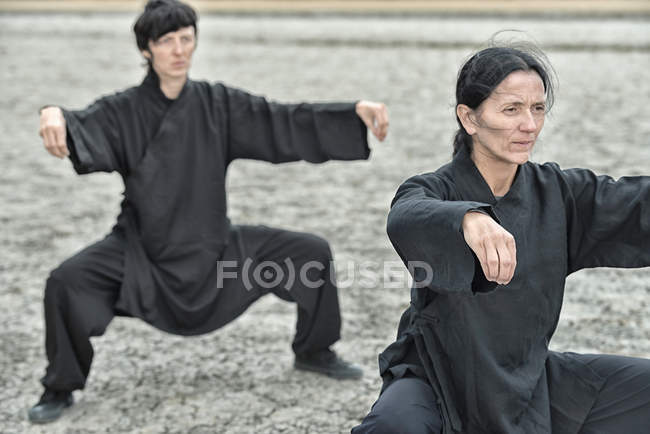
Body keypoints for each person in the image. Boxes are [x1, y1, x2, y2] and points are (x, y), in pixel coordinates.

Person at [29, 0, 389, 424]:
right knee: (66, 282)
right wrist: (53, 113)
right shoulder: (121, 111)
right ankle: (60, 386)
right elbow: (81, 124)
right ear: (147, 49)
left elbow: (282, 119)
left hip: (217, 252)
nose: (180, 50)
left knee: (311, 252)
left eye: (187, 39)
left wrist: (351, 113)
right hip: (141, 253)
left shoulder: (217, 104)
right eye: (167, 41)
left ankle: (314, 349)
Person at [352, 43, 650, 433]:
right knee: (393, 426)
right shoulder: (435, 188)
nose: (529, 124)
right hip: (439, 379)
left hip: (528, 382)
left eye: (537, 108)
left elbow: (634, 204)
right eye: (511, 109)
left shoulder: (557, 192)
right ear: (470, 118)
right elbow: (406, 215)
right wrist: (466, 219)